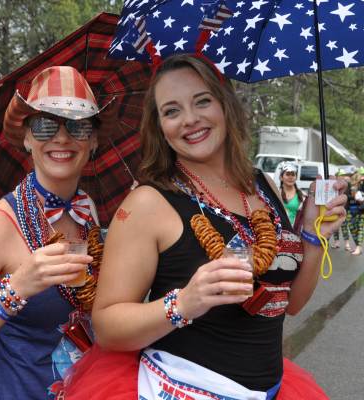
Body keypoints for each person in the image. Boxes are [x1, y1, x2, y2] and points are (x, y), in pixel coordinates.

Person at [62, 54, 347, 400]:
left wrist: (314, 234)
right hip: (183, 388)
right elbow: (107, 328)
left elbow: (291, 304)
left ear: (225, 104)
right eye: (171, 111)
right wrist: (186, 302)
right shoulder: (148, 204)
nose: (190, 120)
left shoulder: (264, 185)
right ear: (159, 128)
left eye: (202, 101)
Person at [0, 66, 104, 399]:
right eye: (44, 125)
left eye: (78, 125)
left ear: (94, 139)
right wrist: (17, 287)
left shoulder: (89, 212)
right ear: (26, 137)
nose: (61, 137)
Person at [278, 162, 305, 228]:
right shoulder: (276, 193)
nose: (290, 177)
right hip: (279, 231)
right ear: (281, 177)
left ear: (296, 177)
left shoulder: (303, 195)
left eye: (293, 175)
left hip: (295, 232)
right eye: (287, 174)